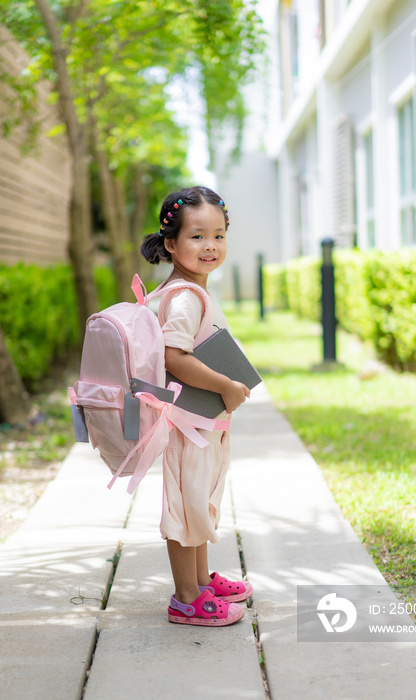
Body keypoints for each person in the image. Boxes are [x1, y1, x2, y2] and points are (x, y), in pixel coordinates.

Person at [140, 186, 252, 627]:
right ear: (171, 243)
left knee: (197, 502)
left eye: (219, 236)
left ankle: (201, 579)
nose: (211, 246)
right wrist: (226, 385)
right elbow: (172, 356)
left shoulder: (186, 290)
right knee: (185, 509)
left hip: (199, 422)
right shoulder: (185, 296)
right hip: (189, 424)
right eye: (198, 236)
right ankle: (187, 598)